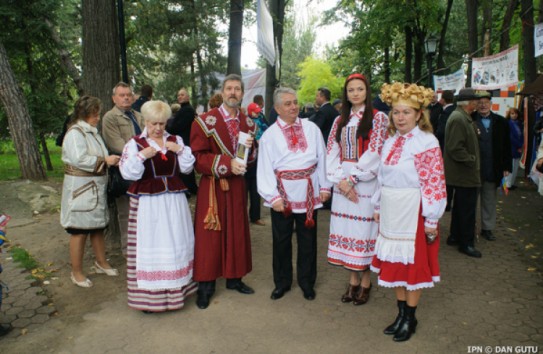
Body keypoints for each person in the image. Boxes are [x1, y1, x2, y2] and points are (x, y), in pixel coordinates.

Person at [371, 83, 446, 342]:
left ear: (418, 114)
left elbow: (433, 181)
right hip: (392, 209)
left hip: (413, 211)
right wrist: (378, 205)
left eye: (406, 112)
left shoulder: (426, 142)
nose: (400, 117)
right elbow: (381, 178)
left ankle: (410, 318)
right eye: (396, 112)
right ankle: (401, 315)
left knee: (412, 266)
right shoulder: (391, 141)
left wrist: (432, 218)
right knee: (396, 265)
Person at [119, 100, 197, 312]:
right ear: (146, 121)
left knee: (176, 242)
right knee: (152, 244)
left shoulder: (174, 139)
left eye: (162, 123)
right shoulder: (135, 144)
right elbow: (127, 172)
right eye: (154, 123)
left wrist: (180, 150)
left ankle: (176, 294)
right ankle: (150, 299)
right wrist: (142, 155)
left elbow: (188, 168)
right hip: (150, 205)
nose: (158, 128)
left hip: (174, 202)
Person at [257, 87, 332, 301]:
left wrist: (325, 186)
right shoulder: (269, 136)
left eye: (295, 102)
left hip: (309, 192)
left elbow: (322, 157)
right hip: (283, 195)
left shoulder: (311, 129)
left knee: (308, 240)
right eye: (288, 104)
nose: (294, 107)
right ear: (278, 108)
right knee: (281, 241)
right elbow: (264, 168)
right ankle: (282, 282)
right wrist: (273, 197)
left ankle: (307, 282)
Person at [190, 74, 257, 309]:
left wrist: (250, 154)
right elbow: (197, 158)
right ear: (222, 91)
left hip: (238, 185)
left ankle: (234, 278)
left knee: (237, 230)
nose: (233, 93)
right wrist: (227, 164)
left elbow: (250, 157)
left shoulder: (248, 123)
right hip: (213, 186)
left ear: (242, 93)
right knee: (210, 235)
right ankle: (205, 286)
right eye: (229, 88)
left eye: (237, 89)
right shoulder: (204, 121)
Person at [326, 73, 388, 305]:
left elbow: (375, 152)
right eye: (351, 90)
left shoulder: (378, 117)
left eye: (359, 89)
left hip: (365, 182)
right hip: (343, 182)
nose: (355, 93)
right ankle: (352, 280)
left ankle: (365, 282)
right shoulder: (339, 120)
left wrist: (352, 179)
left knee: (363, 233)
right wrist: (339, 180)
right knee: (348, 231)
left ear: (366, 91)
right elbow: (331, 149)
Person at [61, 96, 121, 288]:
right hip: (81, 188)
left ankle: (100, 262)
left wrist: (107, 160)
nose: (98, 117)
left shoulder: (92, 132)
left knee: (97, 227)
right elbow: (79, 159)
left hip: (95, 186)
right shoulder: (75, 133)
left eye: (98, 113)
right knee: (79, 230)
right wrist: (105, 161)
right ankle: (76, 272)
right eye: (94, 114)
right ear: (84, 114)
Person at [101, 82, 145, 257]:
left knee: (144, 209)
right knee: (126, 211)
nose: (126, 97)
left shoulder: (139, 115)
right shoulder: (110, 118)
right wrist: (143, 153)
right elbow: (117, 145)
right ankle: (128, 250)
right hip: (124, 170)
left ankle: (144, 246)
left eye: (128, 94)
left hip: (144, 169)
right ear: (114, 98)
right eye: (122, 95)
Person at [444, 88, 483, 257]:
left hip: (462, 173)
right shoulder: (459, 118)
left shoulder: (461, 117)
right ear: (469, 103)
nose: (478, 103)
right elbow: (455, 148)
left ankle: (455, 236)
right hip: (464, 173)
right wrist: (471, 160)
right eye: (475, 100)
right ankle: (466, 243)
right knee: (467, 209)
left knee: (461, 207)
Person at [472, 91, 512, 241]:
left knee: (489, 200)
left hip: (493, 167)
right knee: (471, 200)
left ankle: (487, 228)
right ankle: (470, 227)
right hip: (474, 169)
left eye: (486, 102)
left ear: (490, 104)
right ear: (476, 105)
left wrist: (507, 166)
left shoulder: (501, 121)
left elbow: (507, 145)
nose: (483, 105)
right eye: (480, 102)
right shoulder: (470, 120)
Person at [167, 88, 199, 195]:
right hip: (183, 140)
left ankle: (189, 189)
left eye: (182, 95)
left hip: (185, 140)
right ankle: (189, 188)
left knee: (185, 166)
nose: (179, 96)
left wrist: (167, 127)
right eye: (178, 95)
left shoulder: (187, 110)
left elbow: (177, 127)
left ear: (188, 97)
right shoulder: (184, 109)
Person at [246, 102, 268, 226]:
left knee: (255, 190)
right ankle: (241, 217)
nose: (258, 112)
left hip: (258, 158)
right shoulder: (245, 122)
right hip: (246, 158)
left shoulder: (261, 119)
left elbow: (268, 129)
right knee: (242, 191)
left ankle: (255, 216)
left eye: (258, 111)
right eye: (255, 111)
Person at [435, 90, 456, 211]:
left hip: (445, 146)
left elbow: (442, 131)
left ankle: (447, 203)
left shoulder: (446, 112)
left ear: (443, 99)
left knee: (446, 175)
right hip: (453, 147)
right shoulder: (455, 110)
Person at [505, 108, 523, 190]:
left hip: (518, 148)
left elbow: (522, 136)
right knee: (510, 167)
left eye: (516, 113)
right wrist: (519, 145)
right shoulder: (508, 124)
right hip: (511, 148)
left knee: (515, 167)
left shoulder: (519, 124)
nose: (514, 115)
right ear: (509, 115)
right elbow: (510, 137)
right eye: (512, 113)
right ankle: (507, 185)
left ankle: (511, 184)